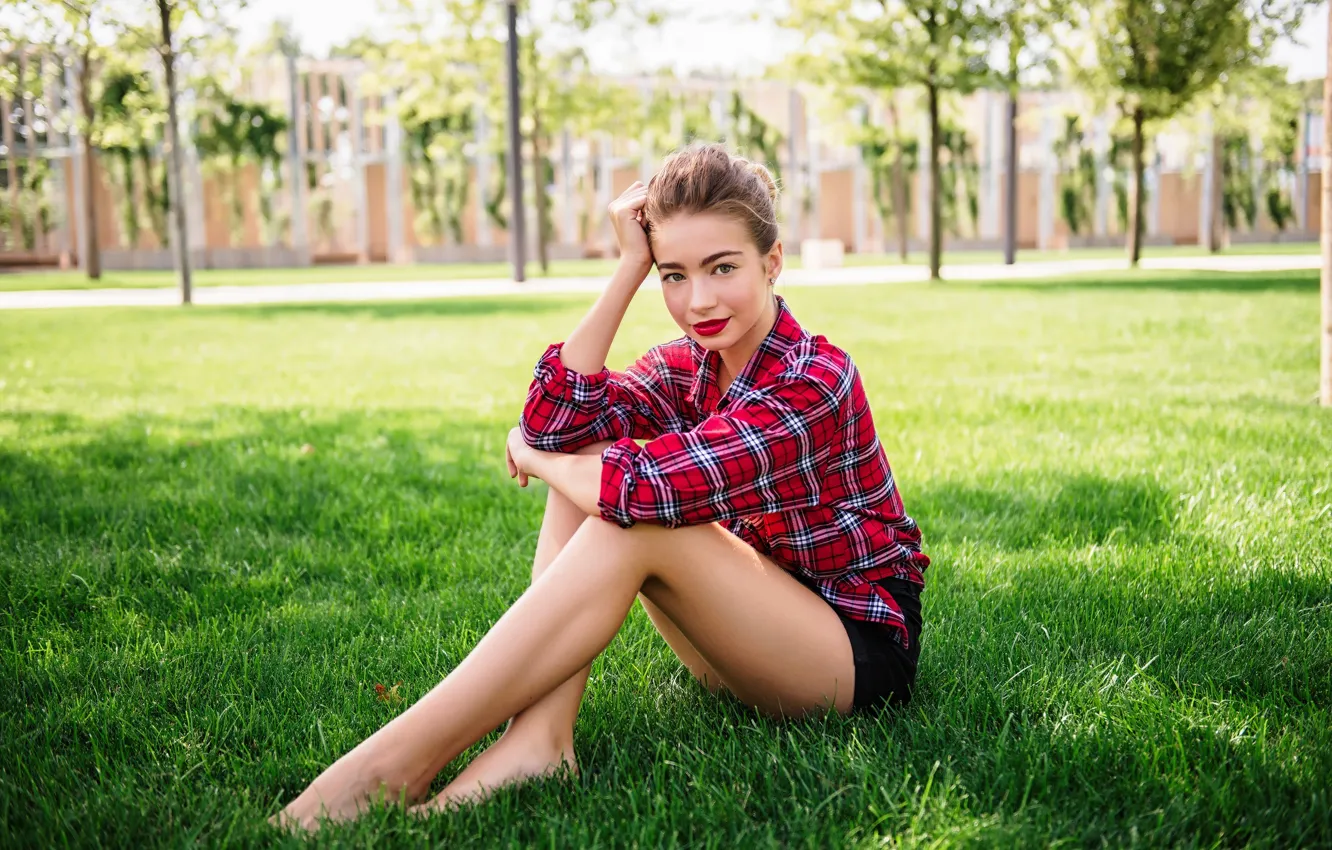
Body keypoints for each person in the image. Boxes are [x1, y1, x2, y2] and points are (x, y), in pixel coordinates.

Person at [273, 143, 929, 831]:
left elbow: (628, 489)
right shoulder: (689, 366)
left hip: (851, 659)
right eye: (674, 275)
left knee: (626, 505)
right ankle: (539, 741)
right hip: (747, 638)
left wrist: (544, 458)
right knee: (590, 453)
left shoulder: (813, 379)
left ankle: (390, 766)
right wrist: (628, 267)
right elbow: (557, 420)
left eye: (723, 268)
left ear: (773, 262)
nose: (697, 301)